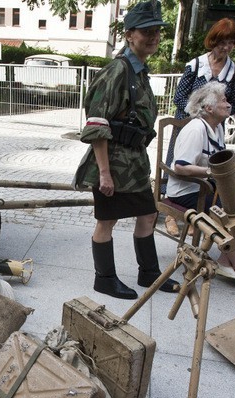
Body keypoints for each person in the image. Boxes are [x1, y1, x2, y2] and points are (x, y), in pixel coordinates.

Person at [76, 0, 179, 300]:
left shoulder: (139, 72)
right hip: (113, 162)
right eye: (146, 31)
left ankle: (148, 273)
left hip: (133, 163)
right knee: (106, 221)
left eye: (157, 30)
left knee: (147, 215)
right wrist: (105, 173)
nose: (154, 36)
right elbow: (96, 123)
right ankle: (104, 279)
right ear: (129, 34)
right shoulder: (118, 71)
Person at [164, 18, 235, 236]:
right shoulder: (196, 65)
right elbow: (179, 97)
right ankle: (173, 213)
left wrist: (214, 117)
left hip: (213, 123)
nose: (225, 47)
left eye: (230, 43)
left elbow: (232, 102)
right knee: (180, 163)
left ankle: (195, 218)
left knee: (210, 162)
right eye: (221, 42)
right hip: (190, 123)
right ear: (212, 41)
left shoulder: (234, 71)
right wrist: (198, 117)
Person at [168, 83, 235, 288]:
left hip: (205, 189)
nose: (228, 104)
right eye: (223, 100)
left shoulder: (217, 127)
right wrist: (212, 173)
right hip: (186, 191)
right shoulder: (195, 129)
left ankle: (224, 261)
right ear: (209, 108)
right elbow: (180, 167)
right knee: (230, 214)